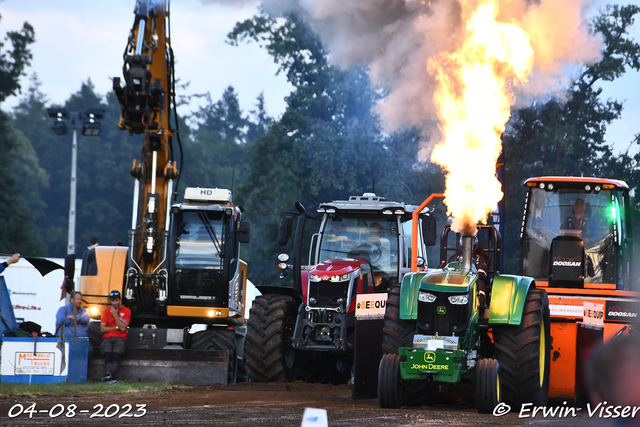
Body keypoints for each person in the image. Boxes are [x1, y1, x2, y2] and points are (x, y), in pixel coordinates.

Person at [99, 290, 131, 381]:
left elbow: (123, 329)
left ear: (120, 300)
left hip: (120, 338)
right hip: (107, 338)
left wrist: (115, 315)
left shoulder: (127, 311)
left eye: (116, 300)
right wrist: (117, 327)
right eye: (112, 301)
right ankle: (108, 374)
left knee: (116, 354)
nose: (114, 303)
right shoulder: (105, 311)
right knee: (108, 354)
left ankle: (110, 374)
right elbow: (102, 329)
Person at [55, 291, 94, 359]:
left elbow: (86, 318)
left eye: (80, 299)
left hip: (81, 341)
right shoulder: (63, 309)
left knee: (90, 351)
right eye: (77, 299)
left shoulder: (84, 311)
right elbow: (60, 319)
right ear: (71, 300)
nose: (79, 301)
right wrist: (76, 319)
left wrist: (72, 317)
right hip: (66, 340)